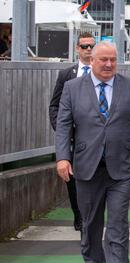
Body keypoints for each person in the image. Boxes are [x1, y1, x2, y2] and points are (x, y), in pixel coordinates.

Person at [55, 42, 130, 263]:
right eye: (103, 60)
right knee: (90, 221)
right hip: (87, 166)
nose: (109, 64)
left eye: (113, 59)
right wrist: (62, 157)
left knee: (118, 220)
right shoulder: (72, 88)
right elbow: (63, 126)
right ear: (92, 60)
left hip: (121, 167)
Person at [48, 32, 96, 231]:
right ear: (77, 48)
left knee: (94, 177)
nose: (88, 50)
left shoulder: (101, 71)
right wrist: (62, 130)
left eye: (91, 46)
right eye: (84, 46)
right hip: (72, 137)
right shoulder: (67, 74)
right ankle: (78, 215)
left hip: (93, 136)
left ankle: (92, 216)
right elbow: (54, 106)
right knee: (73, 178)